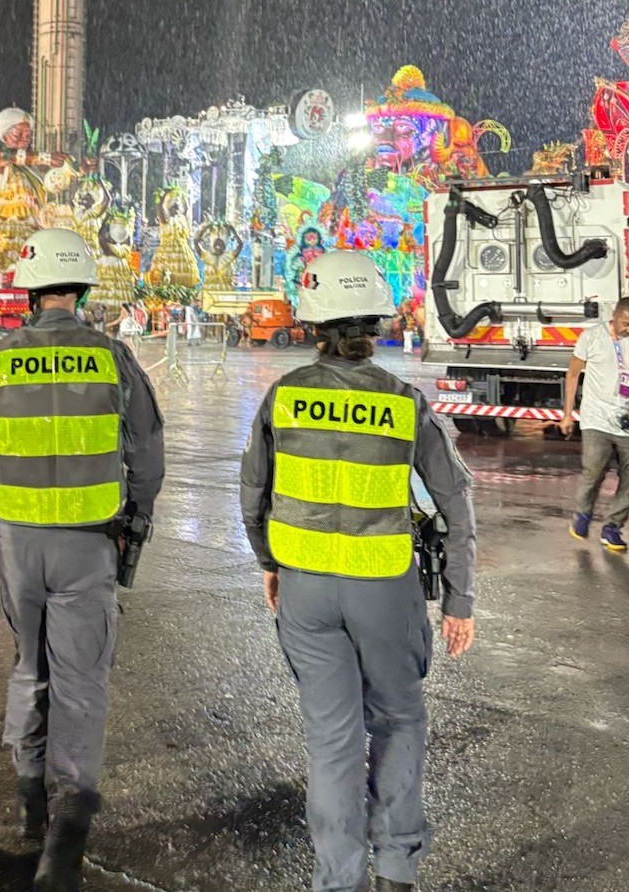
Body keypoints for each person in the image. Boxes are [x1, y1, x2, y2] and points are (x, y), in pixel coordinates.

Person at [0, 228, 165, 892]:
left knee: (30, 662)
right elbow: (148, 453)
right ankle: (69, 827)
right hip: (89, 543)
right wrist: (136, 524)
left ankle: (30, 798)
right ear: (84, 288)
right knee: (82, 678)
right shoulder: (113, 359)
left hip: (18, 543)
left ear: (28, 290)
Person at [239, 250, 476, 892]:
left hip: (306, 589)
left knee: (332, 740)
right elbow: (454, 500)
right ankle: (395, 869)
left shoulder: (285, 396)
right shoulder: (403, 401)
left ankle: (335, 880)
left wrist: (270, 563)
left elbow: (252, 491)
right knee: (398, 719)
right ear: (374, 323)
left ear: (314, 324)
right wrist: (459, 598)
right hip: (382, 585)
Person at [562, 296, 629, 552]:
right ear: (614, 317)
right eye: (627, 324)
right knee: (594, 470)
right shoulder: (591, 337)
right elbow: (572, 375)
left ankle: (612, 528)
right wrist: (568, 414)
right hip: (596, 419)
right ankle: (583, 514)